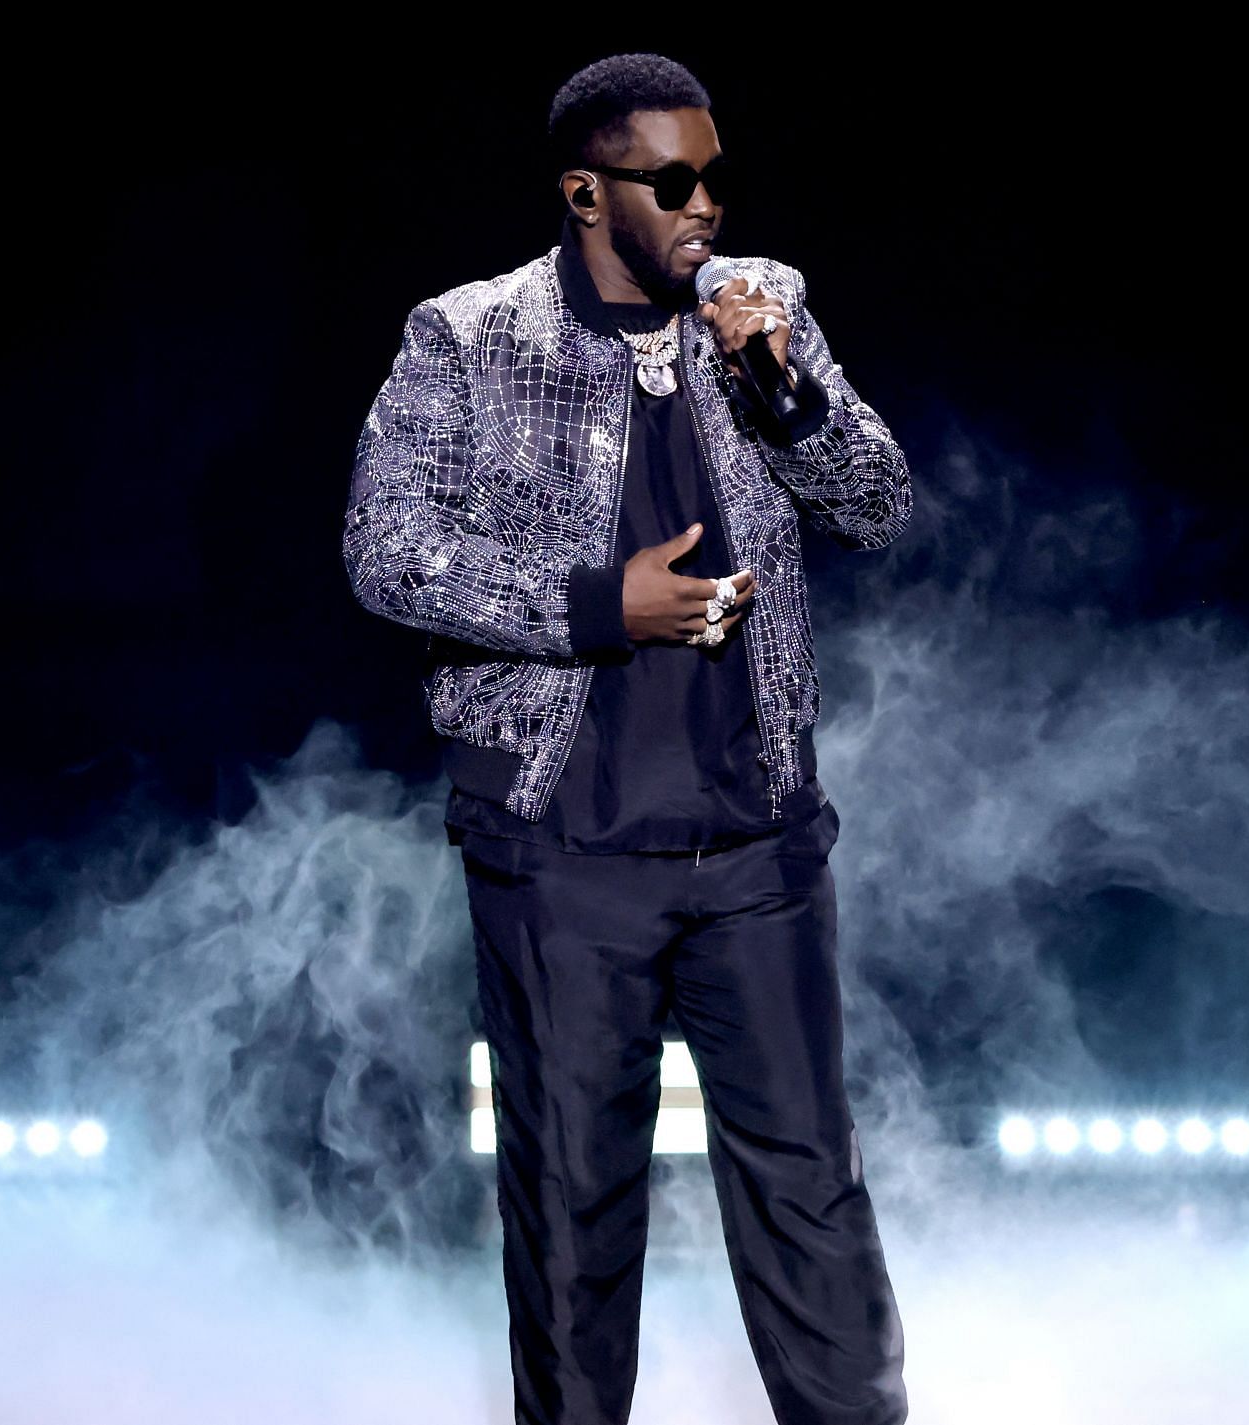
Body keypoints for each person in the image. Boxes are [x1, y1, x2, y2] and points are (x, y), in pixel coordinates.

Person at [343, 51, 910, 1425]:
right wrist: (607, 605)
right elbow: (386, 549)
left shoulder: (766, 316)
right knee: (570, 1211)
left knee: (809, 1199)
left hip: (758, 855)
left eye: (713, 174)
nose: (703, 204)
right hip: (564, 859)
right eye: (672, 181)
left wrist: (780, 389)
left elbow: (879, 502)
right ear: (588, 191)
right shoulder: (470, 339)